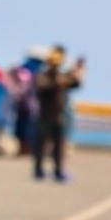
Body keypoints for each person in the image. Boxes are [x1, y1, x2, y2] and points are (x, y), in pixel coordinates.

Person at [34, 45, 84, 181]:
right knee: (41, 144)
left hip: (59, 116)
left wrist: (78, 70)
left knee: (58, 146)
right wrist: (56, 83)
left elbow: (75, 83)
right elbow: (41, 87)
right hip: (45, 115)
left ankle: (58, 171)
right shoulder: (44, 74)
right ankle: (38, 170)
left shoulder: (63, 75)